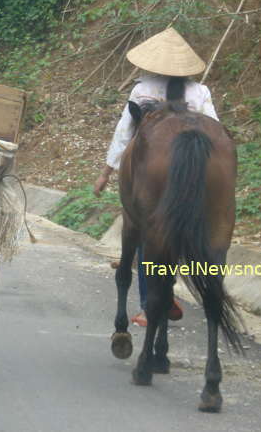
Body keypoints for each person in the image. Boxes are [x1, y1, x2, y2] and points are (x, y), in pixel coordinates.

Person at [93, 27, 220, 327]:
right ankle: (168, 290)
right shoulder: (200, 92)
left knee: (141, 233)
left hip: (146, 176)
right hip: (191, 175)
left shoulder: (142, 90)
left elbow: (124, 134)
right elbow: (214, 130)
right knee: (180, 232)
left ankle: (150, 303)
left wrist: (106, 173)